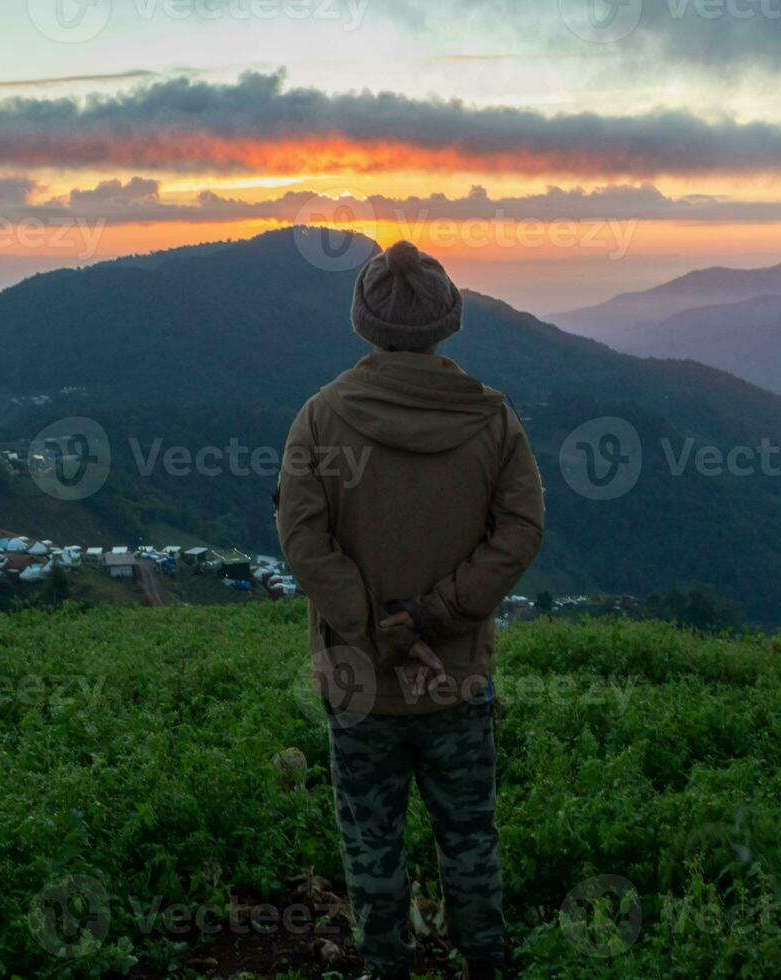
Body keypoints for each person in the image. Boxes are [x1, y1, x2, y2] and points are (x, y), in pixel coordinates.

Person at [276, 239, 546, 980]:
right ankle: (486, 961)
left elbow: (303, 539)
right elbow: (520, 529)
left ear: (363, 321)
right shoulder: (492, 419)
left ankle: (386, 966)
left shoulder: (322, 418)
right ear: (448, 320)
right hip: (455, 680)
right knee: (468, 833)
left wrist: (372, 627)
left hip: (359, 683)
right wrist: (434, 618)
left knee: (370, 837)